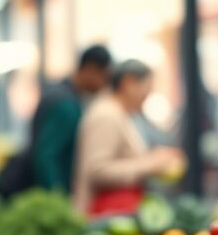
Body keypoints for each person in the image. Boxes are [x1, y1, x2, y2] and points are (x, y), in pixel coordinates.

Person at [72, 60, 185, 216]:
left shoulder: (120, 113)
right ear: (128, 83)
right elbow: (98, 171)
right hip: (102, 217)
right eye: (147, 88)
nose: (148, 96)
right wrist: (151, 164)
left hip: (115, 214)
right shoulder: (106, 115)